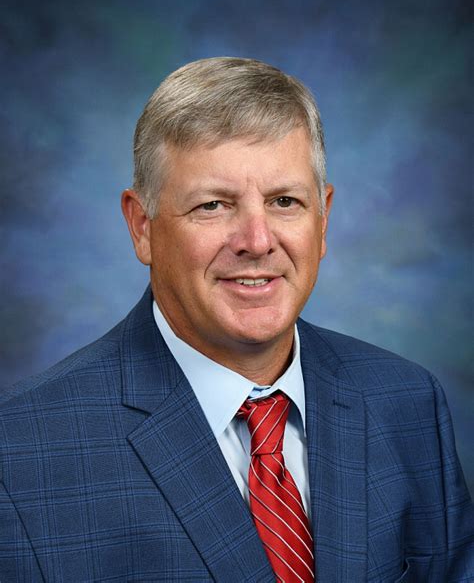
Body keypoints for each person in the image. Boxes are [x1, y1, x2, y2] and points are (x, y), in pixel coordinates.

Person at [0, 57, 472, 583]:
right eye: (213, 205)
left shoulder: (407, 403)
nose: (257, 240)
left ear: (323, 220)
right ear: (142, 227)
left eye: (284, 201)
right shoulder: (18, 451)